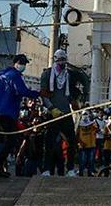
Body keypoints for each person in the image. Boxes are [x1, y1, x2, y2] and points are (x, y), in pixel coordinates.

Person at [0, 54, 40, 177]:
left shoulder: (4, 75)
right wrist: (37, 94)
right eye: (22, 63)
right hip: (5, 112)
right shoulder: (14, 75)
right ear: (17, 63)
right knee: (11, 140)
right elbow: (22, 90)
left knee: (7, 140)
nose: (24, 66)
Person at [39, 49, 78, 177]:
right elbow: (44, 94)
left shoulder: (68, 75)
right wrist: (51, 108)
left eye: (64, 60)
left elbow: (71, 93)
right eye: (60, 60)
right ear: (55, 60)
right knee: (49, 143)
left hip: (66, 112)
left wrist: (74, 102)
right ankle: (46, 169)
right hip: (53, 113)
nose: (62, 62)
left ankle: (71, 169)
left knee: (72, 142)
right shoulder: (47, 74)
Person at [76, 111, 98, 176]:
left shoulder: (92, 124)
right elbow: (76, 135)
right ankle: (81, 172)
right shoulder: (79, 125)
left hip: (91, 145)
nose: (85, 116)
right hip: (82, 146)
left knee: (91, 160)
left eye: (86, 114)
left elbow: (97, 129)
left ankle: (90, 172)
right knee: (82, 160)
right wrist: (80, 142)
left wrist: (93, 120)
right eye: (84, 114)